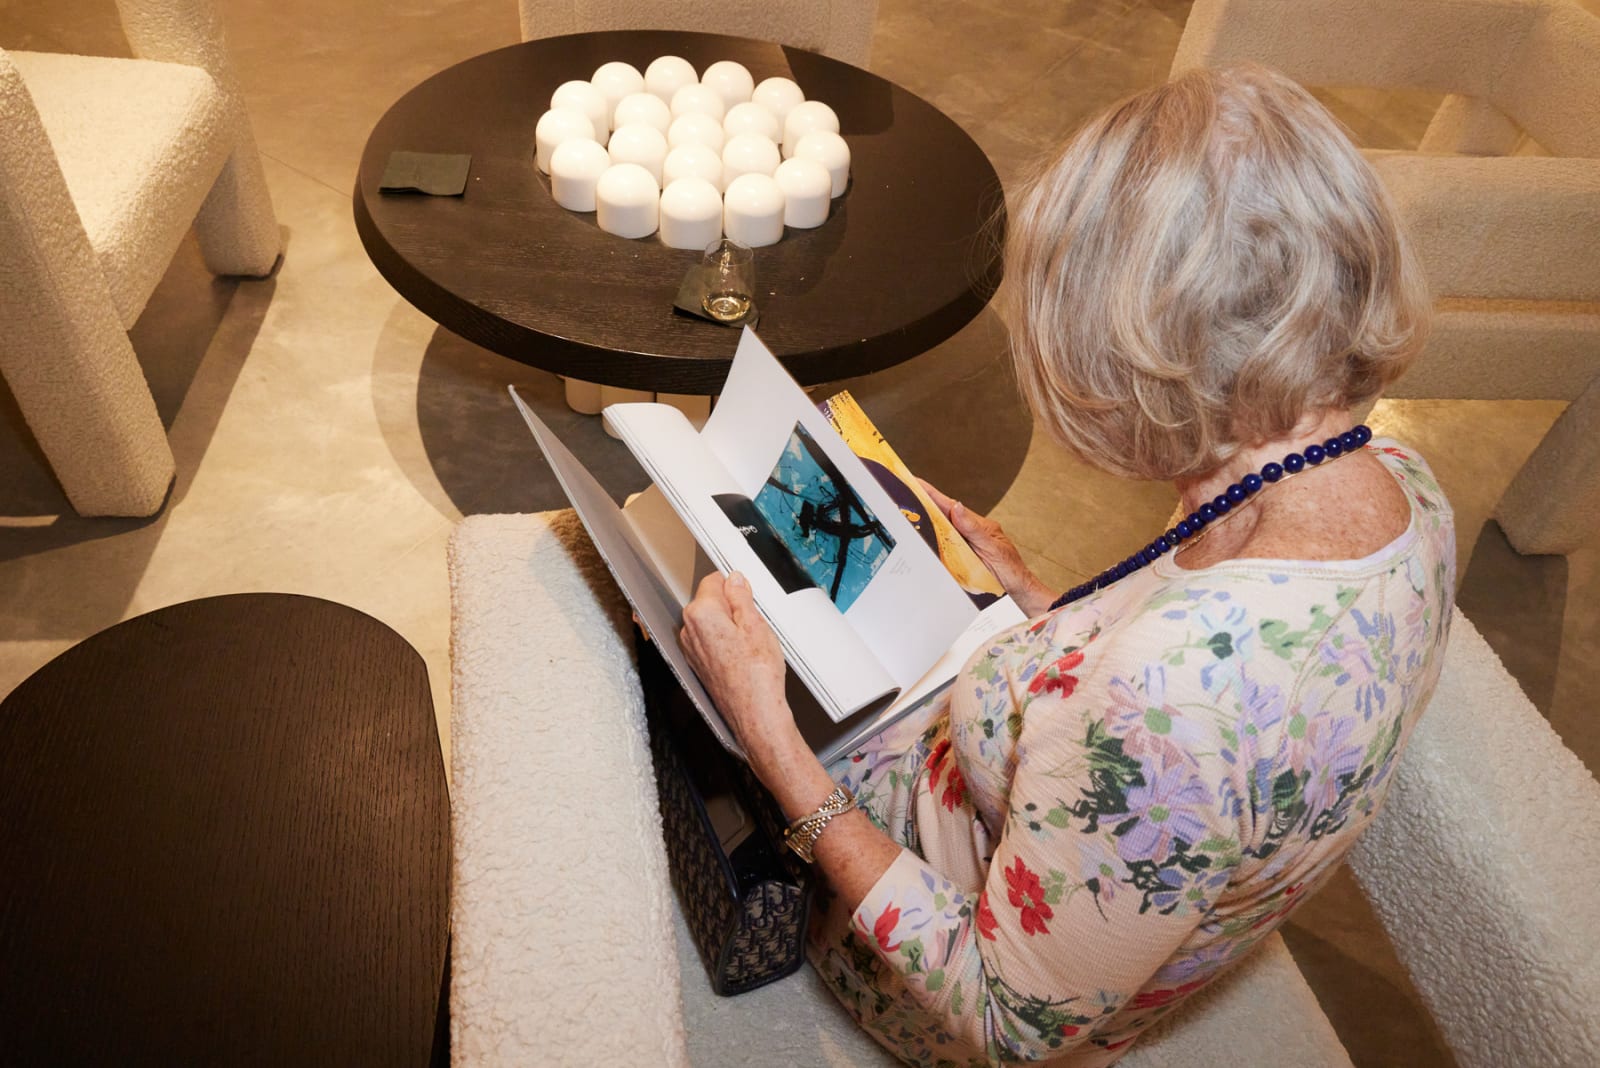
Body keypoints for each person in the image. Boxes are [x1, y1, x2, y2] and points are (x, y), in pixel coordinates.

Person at [679, 63, 1454, 1067]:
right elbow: (1215, 699)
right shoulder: (1394, 480)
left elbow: (1005, 1017)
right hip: (1021, 794)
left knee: (685, 655)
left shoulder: (1168, 700)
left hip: (933, 957)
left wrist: (772, 742)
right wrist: (1042, 600)